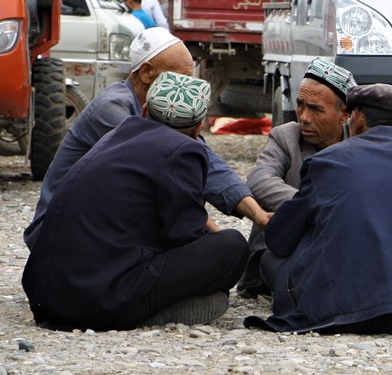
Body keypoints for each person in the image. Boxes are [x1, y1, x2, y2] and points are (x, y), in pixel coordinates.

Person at [245, 83, 392, 334]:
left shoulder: (325, 161)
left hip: (334, 310)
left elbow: (279, 240)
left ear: (358, 119)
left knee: (269, 259)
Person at [22, 72, 249, 331]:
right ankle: (159, 313)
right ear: (198, 128)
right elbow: (185, 235)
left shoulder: (116, 135)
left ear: (144, 110)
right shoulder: (185, 150)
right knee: (232, 246)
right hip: (98, 303)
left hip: (45, 295)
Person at [24, 27, 271, 250]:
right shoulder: (112, 109)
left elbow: (205, 160)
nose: (183, 87)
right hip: (57, 232)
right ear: (146, 73)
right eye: (178, 78)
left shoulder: (166, 111)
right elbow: (169, 166)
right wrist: (212, 230)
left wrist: (257, 213)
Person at [236, 57, 356, 298]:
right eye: (301, 104)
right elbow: (260, 180)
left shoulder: (358, 145)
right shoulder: (286, 137)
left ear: (344, 114)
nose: (304, 117)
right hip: (281, 250)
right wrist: (316, 209)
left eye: (316, 109)